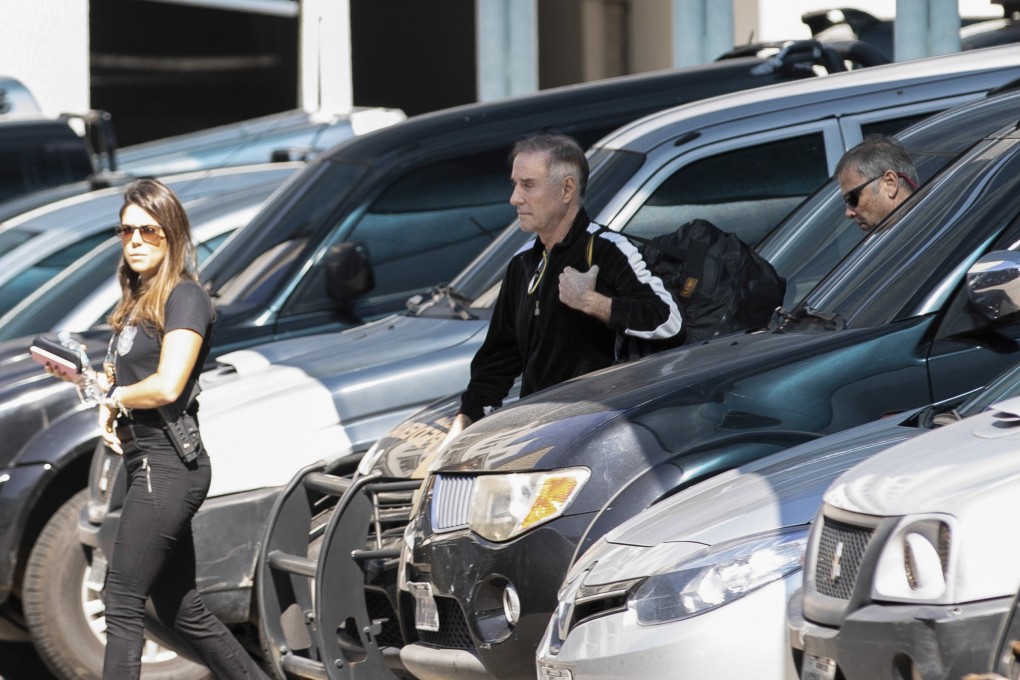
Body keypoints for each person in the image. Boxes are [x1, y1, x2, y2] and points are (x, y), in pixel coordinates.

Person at [46, 179, 269, 679]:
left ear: (172, 234)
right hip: (145, 460)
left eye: (149, 231)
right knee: (179, 610)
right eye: (126, 232)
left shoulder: (185, 297)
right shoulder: (139, 301)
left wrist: (118, 397)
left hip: (169, 466)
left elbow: (168, 386)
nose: (136, 242)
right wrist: (105, 394)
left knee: (122, 601)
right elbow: (130, 377)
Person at [443, 134, 683, 443]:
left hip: (599, 432)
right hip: (538, 432)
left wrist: (594, 303)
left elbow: (668, 319)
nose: (515, 198)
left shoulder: (607, 249)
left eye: (528, 185)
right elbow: (498, 357)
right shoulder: (522, 264)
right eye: (514, 184)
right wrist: (469, 415)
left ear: (566, 189)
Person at [835, 134, 919, 233]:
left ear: (890, 183)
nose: (848, 213)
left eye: (852, 198)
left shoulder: (929, 235)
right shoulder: (892, 240)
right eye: (846, 201)